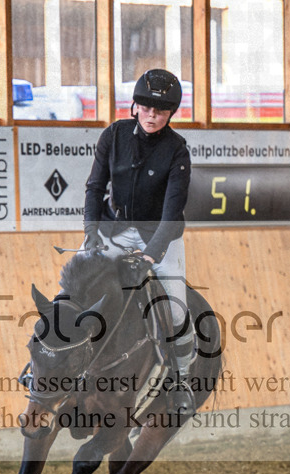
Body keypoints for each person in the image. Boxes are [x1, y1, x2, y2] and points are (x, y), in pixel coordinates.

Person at [82, 68, 195, 414]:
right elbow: (95, 187)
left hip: (160, 236)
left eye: (159, 111)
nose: (151, 115)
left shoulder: (177, 151)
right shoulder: (113, 136)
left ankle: (182, 378)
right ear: (135, 106)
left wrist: (149, 257)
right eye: (145, 107)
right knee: (78, 286)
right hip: (115, 229)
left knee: (176, 308)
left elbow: (171, 212)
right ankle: (60, 365)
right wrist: (90, 231)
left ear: (170, 114)